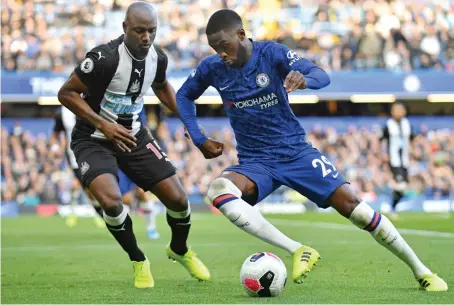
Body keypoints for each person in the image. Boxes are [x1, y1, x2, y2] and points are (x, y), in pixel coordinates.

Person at [176, 9, 447, 292]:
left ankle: (422, 271)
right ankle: (296, 250)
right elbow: (184, 95)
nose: (220, 53)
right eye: (214, 48)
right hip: (256, 162)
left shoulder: (271, 54)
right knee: (218, 189)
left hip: (296, 153)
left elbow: (321, 74)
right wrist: (197, 136)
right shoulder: (213, 68)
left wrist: (305, 79)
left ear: (241, 35)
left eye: (224, 45)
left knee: (356, 209)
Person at [57, 1, 210, 288]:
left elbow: (163, 87)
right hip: (93, 138)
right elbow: (66, 93)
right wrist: (104, 124)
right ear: (125, 28)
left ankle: (180, 250)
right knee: (112, 202)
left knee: (178, 200)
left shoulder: (157, 58)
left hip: (135, 136)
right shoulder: (103, 58)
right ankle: (138, 260)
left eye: (152, 31)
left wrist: (190, 124)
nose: (146, 37)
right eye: (140, 31)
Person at [53, 106, 160, 239]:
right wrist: (55, 147)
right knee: (123, 198)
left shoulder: (132, 104)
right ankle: (116, 226)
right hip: (110, 154)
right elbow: (57, 133)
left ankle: (151, 228)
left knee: (142, 192)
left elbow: (143, 128)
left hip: (133, 151)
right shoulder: (74, 111)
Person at [380, 102, 415, 220]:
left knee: (403, 188)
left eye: (401, 110)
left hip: (404, 160)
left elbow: (412, 138)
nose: (399, 112)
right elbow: (381, 140)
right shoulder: (388, 125)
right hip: (394, 160)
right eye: (396, 110)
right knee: (401, 185)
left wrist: (414, 151)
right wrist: (383, 154)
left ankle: (391, 206)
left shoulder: (407, 124)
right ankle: (390, 207)